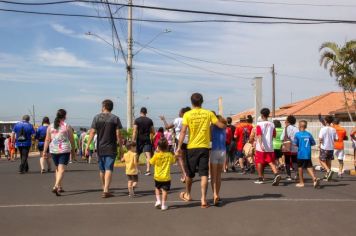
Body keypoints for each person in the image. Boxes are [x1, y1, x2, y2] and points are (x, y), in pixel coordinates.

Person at [176, 93, 226, 208]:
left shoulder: (187, 114)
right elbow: (220, 125)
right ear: (202, 101)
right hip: (204, 147)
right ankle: (203, 199)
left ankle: (188, 194)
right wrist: (224, 126)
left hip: (191, 147)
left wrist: (179, 147)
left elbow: (183, 132)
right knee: (204, 174)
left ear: (191, 102)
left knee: (189, 174)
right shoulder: (208, 113)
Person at [86, 99, 124, 198]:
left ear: (103, 107)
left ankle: (104, 188)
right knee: (109, 168)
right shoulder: (115, 118)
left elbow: (92, 132)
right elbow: (118, 134)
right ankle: (106, 189)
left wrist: (87, 145)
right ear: (111, 107)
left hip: (100, 147)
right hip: (111, 147)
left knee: (102, 169)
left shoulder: (96, 118)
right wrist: (121, 148)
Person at [43, 109, 76, 196]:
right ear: (65, 116)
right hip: (64, 149)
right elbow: (72, 140)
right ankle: (56, 186)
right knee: (61, 169)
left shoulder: (50, 126)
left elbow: (47, 139)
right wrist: (73, 151)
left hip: (53, 149)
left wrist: (44, 151)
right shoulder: (66, 126)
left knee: (57, 169)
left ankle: (59, 187)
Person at [160, 107, 191, 183]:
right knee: (186, 158)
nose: (178, 113)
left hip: (180, 139)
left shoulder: (178, 120)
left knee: (180, 158)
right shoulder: (190, 119)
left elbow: (167, 127)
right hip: (190, 140)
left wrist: (164, 120)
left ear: (183, 113)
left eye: (180, 112)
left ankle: (184, 175)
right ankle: (188, 174)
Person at [254, 108, 282, 185]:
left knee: (259, 162)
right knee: (271, 162)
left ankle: (260, 178)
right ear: (268, 115)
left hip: (261, 147)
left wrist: (260, 144)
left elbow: (259, 135)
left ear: (262, 115)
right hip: (270, 147)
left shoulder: (259, 124)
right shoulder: (272, 124)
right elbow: (274, 135)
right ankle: (277, 174)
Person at [150, 138, 176, 211]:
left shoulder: (156, 155)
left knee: (157, 188)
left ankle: (158, 200)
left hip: (157, 176)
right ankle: (163, 205)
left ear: (158, 147)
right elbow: (173, 161)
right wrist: (176, 155)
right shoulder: (169, 155)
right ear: (167, 146)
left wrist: (155, 152)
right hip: (166, 177)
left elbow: (151, 162)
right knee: (165, 191)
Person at [294, 120, 321, 188]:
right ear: (305, 127)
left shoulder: (297, 134)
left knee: (300, 167)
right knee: (309, 166)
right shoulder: (309, 134)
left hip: (301, 153)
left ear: (299, 126)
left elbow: (295, 144)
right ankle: (314, 178)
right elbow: (313, 143)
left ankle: (301, 182)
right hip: (308, 153)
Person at [132, 107, 155, 176]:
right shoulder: (149, 120)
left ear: (140, 112)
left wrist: (133, 140)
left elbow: (135, 131)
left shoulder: (137, 120)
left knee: (137, 155)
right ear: (146, 112)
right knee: (148, 155)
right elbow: (153, 131)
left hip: (139, 139)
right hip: (147, 139)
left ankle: (136, 170)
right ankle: (148, 170)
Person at [210, 115, 227, 206]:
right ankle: (218, 194)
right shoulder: (224, 127)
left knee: (213, 175)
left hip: (214, 150)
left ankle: (215, 194)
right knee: (219, 175)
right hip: (223, 151)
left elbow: (209, 138)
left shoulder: (212, 128)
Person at [318, 115, 338, 181]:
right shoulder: (334, 129)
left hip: (324, 147)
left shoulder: (323, 129)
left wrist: (319, 144)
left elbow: (320, 138)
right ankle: (327, 176)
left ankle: (328, 170)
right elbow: (336, 139)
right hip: (331, 147)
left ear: (325, 121)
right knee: (328, 161)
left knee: (321, 160)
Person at [280, 115, 299, 181]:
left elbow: (282, 138)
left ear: (288, 121)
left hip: (287, 147)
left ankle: (289, 175)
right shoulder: (296, 129)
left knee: (287, 161)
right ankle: (296, 174)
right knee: (294, 161)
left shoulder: (286, 128)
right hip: (295, 147)